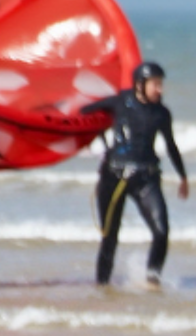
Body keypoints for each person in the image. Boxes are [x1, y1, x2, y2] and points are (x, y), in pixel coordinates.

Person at [80, 61, 189, 286]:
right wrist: (89, 135)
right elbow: (83, 113)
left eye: (161, 84)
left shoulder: (161, 113)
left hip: (146, 178)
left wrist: (183, 177)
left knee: (161, 232)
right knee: (110, 237)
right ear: (140, 84)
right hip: (113, 176)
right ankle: (102, 286)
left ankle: (152, 280)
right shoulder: (120, 102)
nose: (160, 89)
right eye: (155, 84)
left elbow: (171, 145)